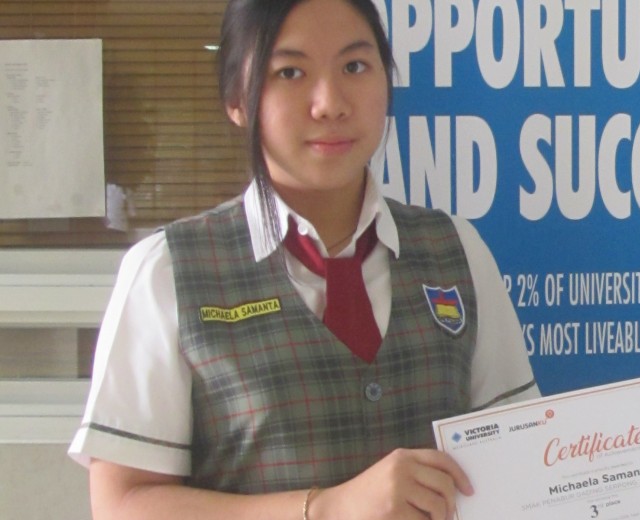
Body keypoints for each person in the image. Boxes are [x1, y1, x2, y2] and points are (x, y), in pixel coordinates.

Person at [67, 1, 539, 519]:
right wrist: (325, 508)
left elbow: (518, 459)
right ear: (236, 99)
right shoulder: (168, 272)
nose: (330, 103)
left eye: (355, 66)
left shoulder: (455, 251)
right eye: (289, 72)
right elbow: (123, 503)